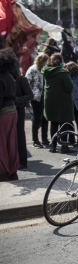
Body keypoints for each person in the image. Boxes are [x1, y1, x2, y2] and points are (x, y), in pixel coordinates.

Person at [42, 54, 75, 154]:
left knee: (53, 123)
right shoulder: (63, 72)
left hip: (50, 100)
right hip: (63, 101)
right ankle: (64, 146)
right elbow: (70, 88)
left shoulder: (46, 71)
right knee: (64, 124)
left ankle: (53, 146)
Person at [0, 49, 19, 181]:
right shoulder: (10, 76)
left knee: (2, 144)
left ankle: (2, 170)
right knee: (11, 142)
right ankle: (12, 169)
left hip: (3, 113)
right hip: (12, 111)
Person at [11, 58, 33, 170]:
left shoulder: (22, 79)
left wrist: (16, 100)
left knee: (20, 135)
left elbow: (30, 95)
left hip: (18, 109)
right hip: (10, 109)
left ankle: (23, 160)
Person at [26, 54, 50, 148]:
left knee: (45, 118)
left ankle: (45, 139)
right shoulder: (32, 69)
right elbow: (27, 82)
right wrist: (30, 95)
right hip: (36, 98)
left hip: (45, 97)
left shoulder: (46, 69)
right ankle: (35, 140)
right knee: (36, 118)